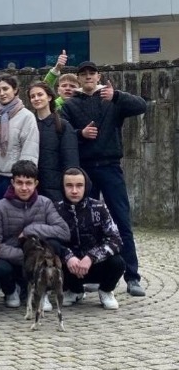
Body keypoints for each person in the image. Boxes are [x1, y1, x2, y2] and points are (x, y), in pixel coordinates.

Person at [60, 61, 148, 297]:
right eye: (84, 74)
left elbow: (141, 106)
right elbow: (62, 131)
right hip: (85, 170)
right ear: (79, 79)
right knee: (85, 224)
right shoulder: (70, 105)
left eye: (92, 73)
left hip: (110, 167)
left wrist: (117, 95)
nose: (88, 77)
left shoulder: (111, 98)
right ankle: (90, 275)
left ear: (98, 76)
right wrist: (81, 134)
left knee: (121, 220)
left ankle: (132, 276)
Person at [0, 159, 70, 309]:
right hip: (14, 259)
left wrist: (30, 230)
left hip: (38, 261)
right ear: (12, 182)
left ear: (36, 183)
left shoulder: (45, 203)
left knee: (54, 245)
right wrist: (25, 257)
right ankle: (11, 291)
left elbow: (64, 232)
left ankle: (43, 291)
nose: (24, 188)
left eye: (28, 183)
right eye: (19, 183)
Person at [55, 168, 125, 310]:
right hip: (69, 267)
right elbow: (50, 240)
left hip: (95, 265)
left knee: (118, 263)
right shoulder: (55, 209)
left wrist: (91, 257)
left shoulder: (99, 207)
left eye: (79, 185)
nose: (74, 190)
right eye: (69, 185)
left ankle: (106, 290)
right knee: (52, 261)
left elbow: (116, 239)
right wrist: (68, 256)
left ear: (86, 186)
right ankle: (75, 291)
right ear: (62, 187)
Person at [0, 74, 40, 211]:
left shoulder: (26, 116)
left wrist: (22, 182)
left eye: (5, 89)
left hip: (14, 180)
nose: (2, 93)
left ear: (15, 90)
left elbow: (29, 151)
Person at [27, 81, 79, 203]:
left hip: (56, 187)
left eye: (40, 94)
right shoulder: (28, 125)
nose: (36, 98)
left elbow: (70, 160)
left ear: (49, 97)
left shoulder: (63, 126)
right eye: (32, 96)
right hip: (31, 186)